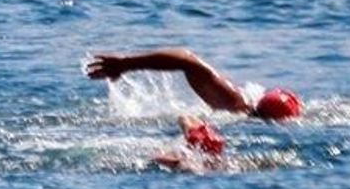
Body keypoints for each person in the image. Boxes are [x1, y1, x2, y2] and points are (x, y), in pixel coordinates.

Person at [86, 47, 303, 165]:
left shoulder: (236, 103)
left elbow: (186, 59)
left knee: (186, 120)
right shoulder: (275, 137)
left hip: (206, 136)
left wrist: (126, 63)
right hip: (227, 151)